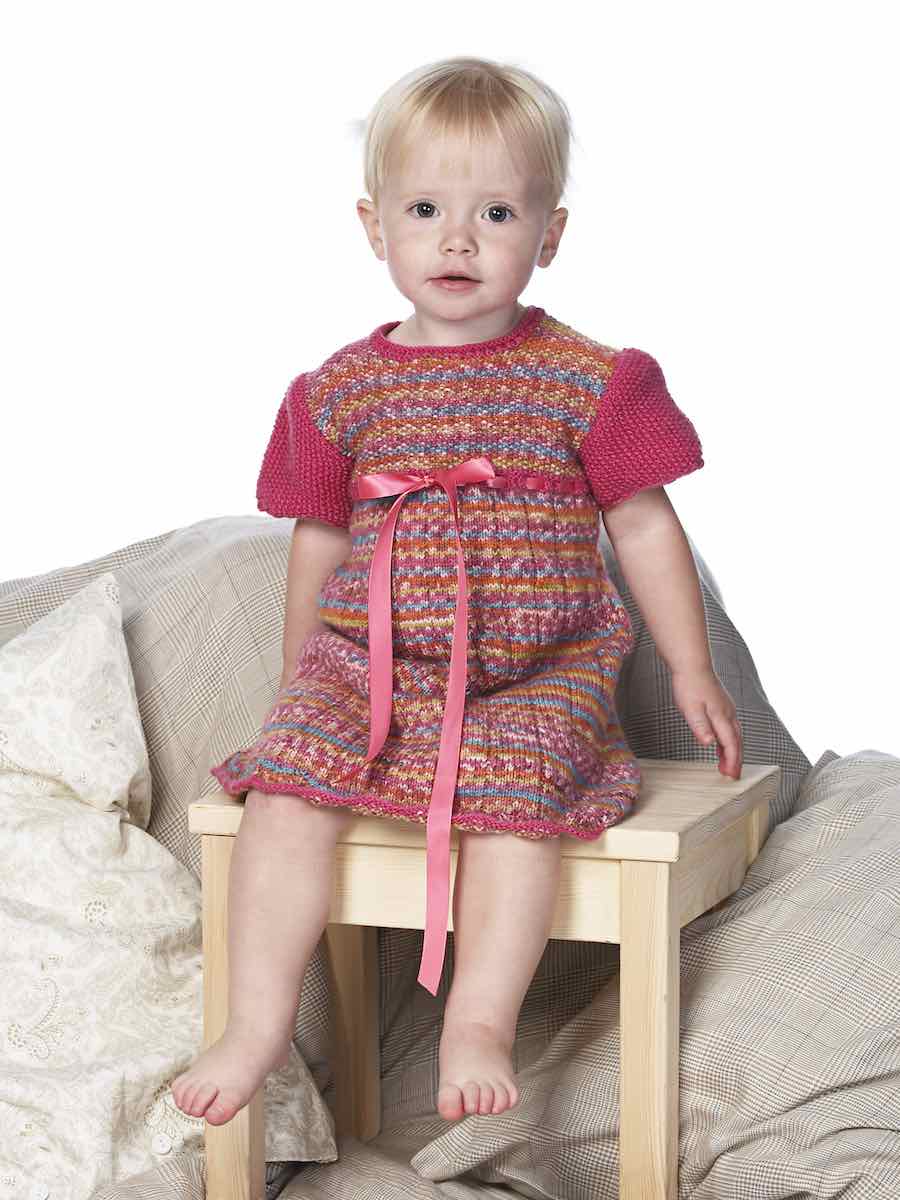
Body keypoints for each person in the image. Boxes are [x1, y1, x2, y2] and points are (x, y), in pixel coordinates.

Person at [172, 54, 743, 1130]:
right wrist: (303, 677)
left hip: (535, 673)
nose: (459, 241)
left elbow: (642, 523)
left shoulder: (592, 378)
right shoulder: (338, 389)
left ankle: (477, 1020)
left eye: (497, 213)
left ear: (551, 234)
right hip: (373, 665)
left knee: (517, 806)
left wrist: (689, 665)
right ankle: (254, 1023)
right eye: (426, 210)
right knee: (286, 792)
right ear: (374, 225)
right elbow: (318, 537)